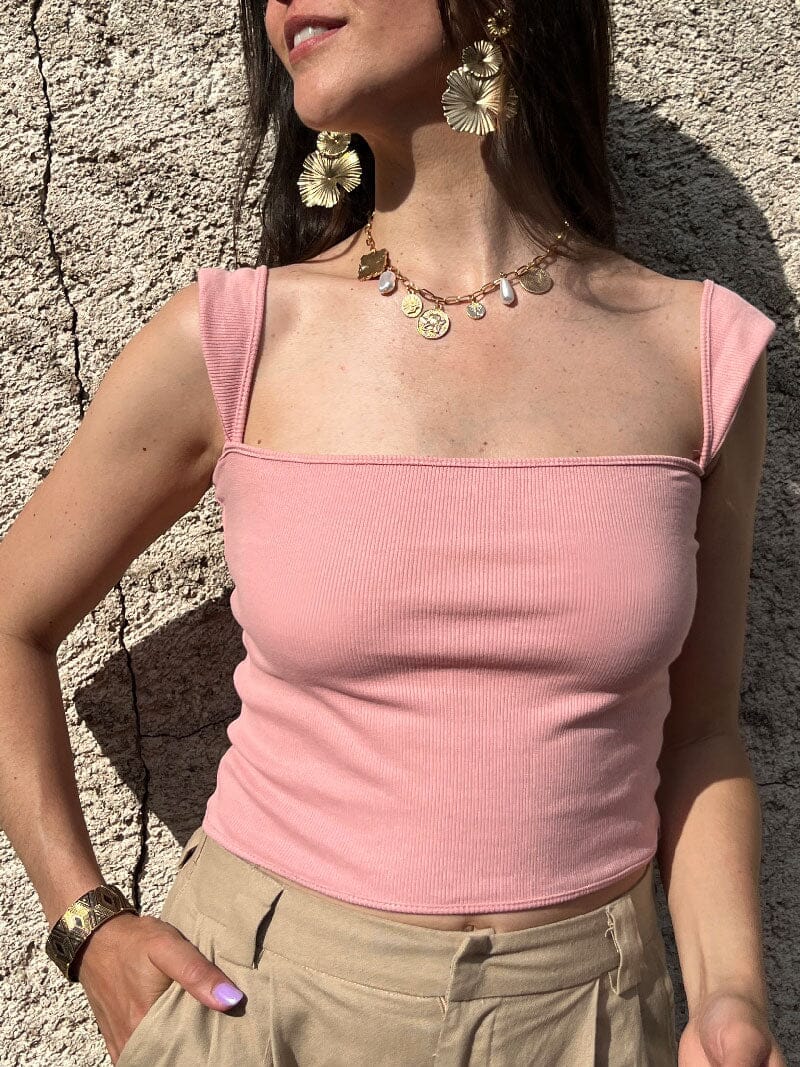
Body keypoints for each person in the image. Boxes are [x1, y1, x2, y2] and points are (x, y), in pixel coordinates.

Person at [0, 0, 786, 1064]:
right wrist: (87, 924)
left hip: (589, 1016)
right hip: (262, 1002)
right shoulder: (236, 338)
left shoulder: (697, 352)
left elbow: (697, 736)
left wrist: (730, 995)